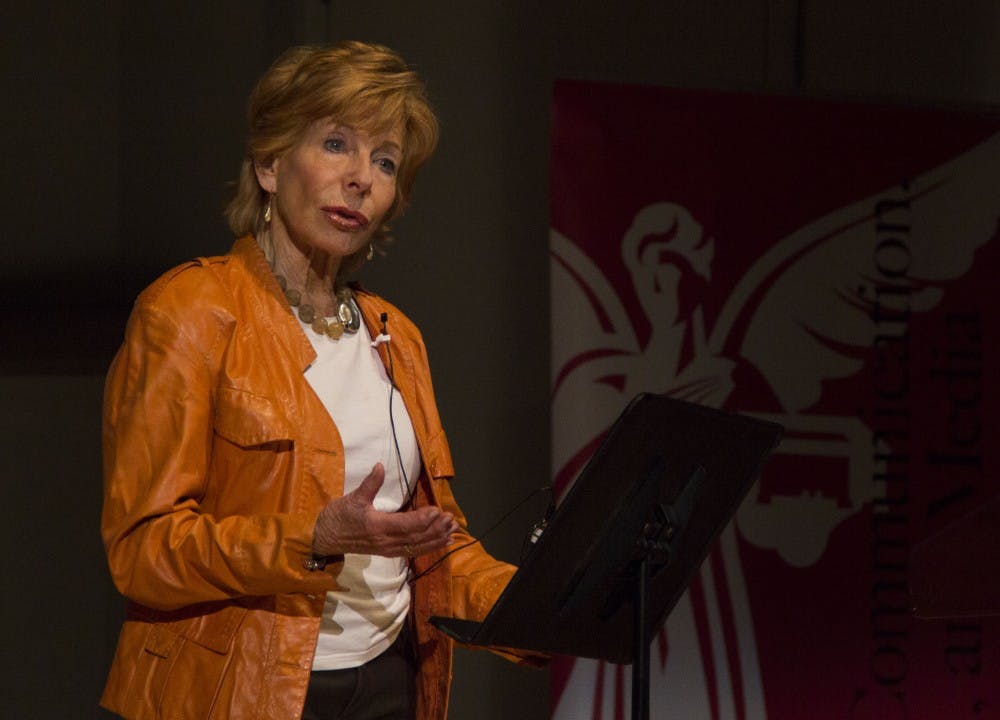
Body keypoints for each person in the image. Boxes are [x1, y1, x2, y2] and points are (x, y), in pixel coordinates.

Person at [100, 41, 537, 720]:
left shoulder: (398, 336)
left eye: (385, 161)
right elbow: (143, 551)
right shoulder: (189, 311)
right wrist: (312, 538)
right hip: (242, 693)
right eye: (337, 144)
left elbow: (432, 541)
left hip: (391, 686)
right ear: (269, 164)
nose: (361, 178)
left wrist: (547, 604)